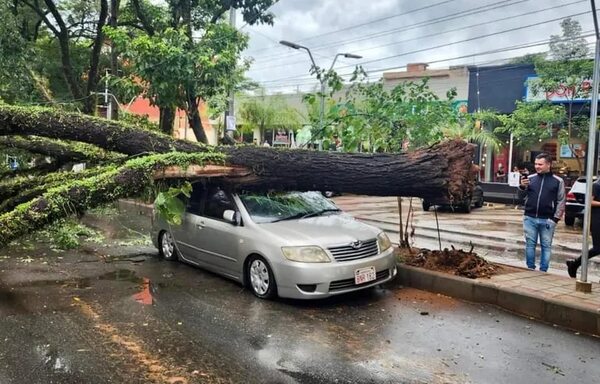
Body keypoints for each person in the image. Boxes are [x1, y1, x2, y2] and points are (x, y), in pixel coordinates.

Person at [518, 153, 566, 272]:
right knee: (530, 244)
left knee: (546, 246)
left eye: (540, 164)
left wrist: (555, 219)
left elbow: (561, 200)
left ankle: (543, 270)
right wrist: (522, 187)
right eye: (536, 164)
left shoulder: (558, 181)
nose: (537, 166)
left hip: (548, 220)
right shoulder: (530, 179)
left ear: (548, 164)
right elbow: (520, 198)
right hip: (529, 217)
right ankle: (530, 268)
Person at [566, 177, 600, 278]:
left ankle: (574, 264)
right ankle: (574, 264)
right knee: (597, 248)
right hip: (597, 219)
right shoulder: (596, 185)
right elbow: (589, 201)